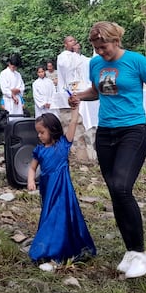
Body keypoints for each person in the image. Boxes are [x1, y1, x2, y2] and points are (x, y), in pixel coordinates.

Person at [71, 21, 146, 279]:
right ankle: (130, 251)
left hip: (132, 131)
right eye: (96, 48)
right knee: (115, 192)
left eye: (104, 47)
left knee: (121, 186)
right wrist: (79, 97)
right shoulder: (95, 64)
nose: (100, 53)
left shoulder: (137, 61)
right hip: (105, 133)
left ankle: (141, 253)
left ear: (116, 41)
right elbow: (98, 92)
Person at [27, 106, 96, 270]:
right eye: (38, 132)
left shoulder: (64, 144)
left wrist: (76, 107)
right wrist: (30, 181)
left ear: (52, 130)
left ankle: (56, 254)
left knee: (60, 217)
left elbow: (73, 122)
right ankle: (51, 250)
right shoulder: (40, 150)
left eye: (42, 132)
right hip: (48, 190)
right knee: (49, 216)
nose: (39, 136)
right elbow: (32, 168)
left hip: (63, 190)